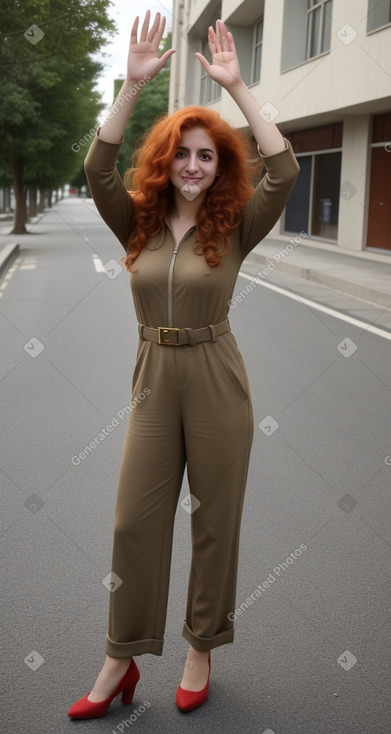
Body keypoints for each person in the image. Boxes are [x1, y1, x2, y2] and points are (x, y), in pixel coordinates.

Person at [67, 10, 300, 719]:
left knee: (214, 521)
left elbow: (283, 168)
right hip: (152, 381)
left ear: (218, 163)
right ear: (164, 160)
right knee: (133, 523)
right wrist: (133, 88)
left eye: (206, 155)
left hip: (216, 380)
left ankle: (202, 646)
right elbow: (96, 166)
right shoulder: (132, 217)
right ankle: (120, 657)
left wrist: (236, 86)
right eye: (183, 154)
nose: (194, 166)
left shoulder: (233, 224)